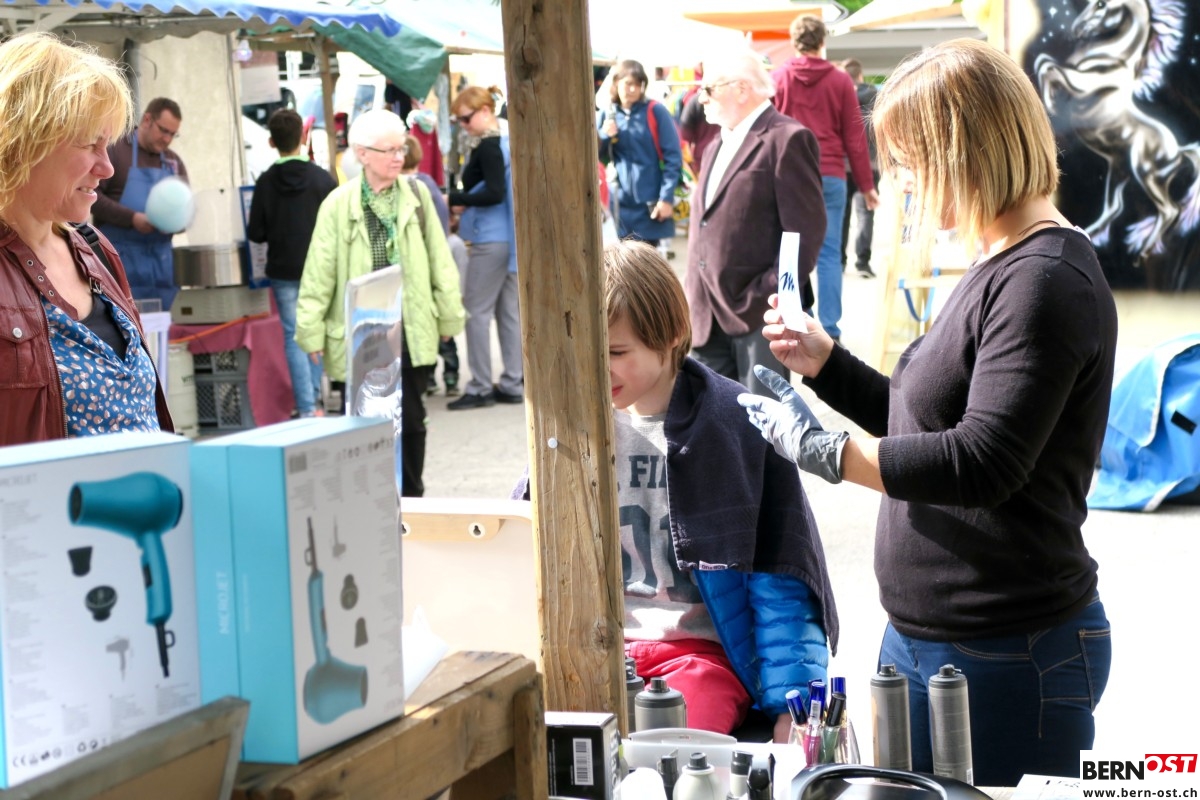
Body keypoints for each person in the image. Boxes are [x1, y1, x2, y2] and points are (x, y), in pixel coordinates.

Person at [739, 39, 1117, 784]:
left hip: (1008, 646)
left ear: (969, 151)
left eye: (913, 162)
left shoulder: (1042, 278)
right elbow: (925, 422)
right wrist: (825, 364)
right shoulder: (1002, 260)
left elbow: (980, 462)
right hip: (935, 638)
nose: (903, 183)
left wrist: (825, 452)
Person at [519, 240, 838, 742]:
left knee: (680, 758)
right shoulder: (568, 425)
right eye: (588, 350)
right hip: (592, 652)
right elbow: (517, 552)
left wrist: (790, 707)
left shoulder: (736, 423)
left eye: (616, 352)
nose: (599, 367)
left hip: (699, 660)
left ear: (669, 335)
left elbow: (781, 575)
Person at [0, 32, 173, 446]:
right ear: (25, 142)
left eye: (107, 145)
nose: (106, 167)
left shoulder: (94, 248)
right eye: (90, 144)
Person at [296, 109, 465, 497]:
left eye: (401, 148)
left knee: (413, 421)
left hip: (409, 326)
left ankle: (413, 499)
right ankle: (369, 501)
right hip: (362, 331)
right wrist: (311, 330)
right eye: (389, 150)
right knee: (363, 425)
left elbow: (440, 261)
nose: (398, 157)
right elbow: (319, 271)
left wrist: (449, 316)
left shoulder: (418, 196)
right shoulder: (338, 204)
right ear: (362, 153)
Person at [685, 49, 825, 396]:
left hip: (757, 316)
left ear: (741, 89)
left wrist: (769, 293)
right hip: (706, 316)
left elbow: (804, 234)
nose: (701, 98)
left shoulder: (786, 138)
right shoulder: (716, 143)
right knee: (710, 420)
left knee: (764, 422)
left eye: (709, 89)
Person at [771, 15, 877, 342]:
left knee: (790, 250)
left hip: (790, 175)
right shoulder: (841, 81)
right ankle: (830, 330)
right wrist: (867, 185)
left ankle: (794, 320)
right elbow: (854, 138)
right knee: (830, 253)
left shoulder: (779, 78)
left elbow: (769, 129)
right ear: (822, 42)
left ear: (794, 41)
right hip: (831, 174)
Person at [247, 108, 337, 419]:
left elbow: (255, 233)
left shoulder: (265, 182)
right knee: (316, 330)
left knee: (293, 334)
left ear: (271, 142)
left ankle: (307, 407)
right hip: (320, 269)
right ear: (303, 136)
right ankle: (318, 401)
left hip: (283, 269)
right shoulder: (322, 179)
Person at [445, 85, 523, 410]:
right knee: (508, 313)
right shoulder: (504, 142)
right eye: (459, 120)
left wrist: (454, 198)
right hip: (506, 238)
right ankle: (513, 381)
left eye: (465, 118)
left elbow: (494, 192)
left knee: (476, 312)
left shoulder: (491, 145)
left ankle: (480, 386)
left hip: (490, 238)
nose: (463, 125)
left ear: (486, 111)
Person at [93, 96, 188, 311]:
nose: (167, 139)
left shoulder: (174, 163)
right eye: (163, 130)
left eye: (173, 134)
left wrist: (176, 223)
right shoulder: (115, 151)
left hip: (162, 269)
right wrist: (132, 219)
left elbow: (187, 212)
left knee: (165, 327)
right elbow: (92, 197)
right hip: (120, 263)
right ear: (147, 120)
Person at [597, 60, 684, 249]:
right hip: (619, 205)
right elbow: (594, 157)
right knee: (623, 259)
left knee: (646, 260)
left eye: (638, 84)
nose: (633, 89)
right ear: (616, 83)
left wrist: (666, 197)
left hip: (650, 205)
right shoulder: (608, 113)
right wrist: (604, 135)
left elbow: (673, 157)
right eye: (628, 83)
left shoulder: (656, 111)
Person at [401, 135, 459, 397]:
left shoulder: (411, 188)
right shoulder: (430, 184)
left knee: (428, 325)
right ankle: (451, 375)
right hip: (438, 257)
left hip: (423, 265)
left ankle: (431, 377)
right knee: (441, 324)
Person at [839, 59, 879, 279]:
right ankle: (863, 262)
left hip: (844, 165)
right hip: (870, 164)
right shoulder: (874, 97)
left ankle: (840, 261)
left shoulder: (841, 96)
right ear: (860, 74)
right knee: (866, 213)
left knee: (842, 215)